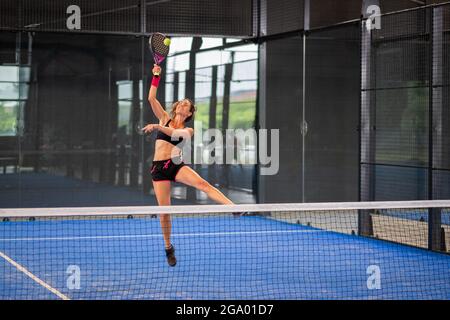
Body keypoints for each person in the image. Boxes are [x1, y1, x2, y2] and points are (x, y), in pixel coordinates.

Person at [144, 64, 235, 267]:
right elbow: (151, 98)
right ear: (176, 107)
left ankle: (233, 207)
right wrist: (156, 76)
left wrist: (157, 127)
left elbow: (177, 135)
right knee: (165, 212)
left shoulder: (189, 130)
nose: (184, 105)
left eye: (188, 105)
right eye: (182, 103)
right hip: (158, 168)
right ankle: (168, 246)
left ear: (189, 112)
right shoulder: (164, 118)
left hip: (175, 164)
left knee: (203, 184)